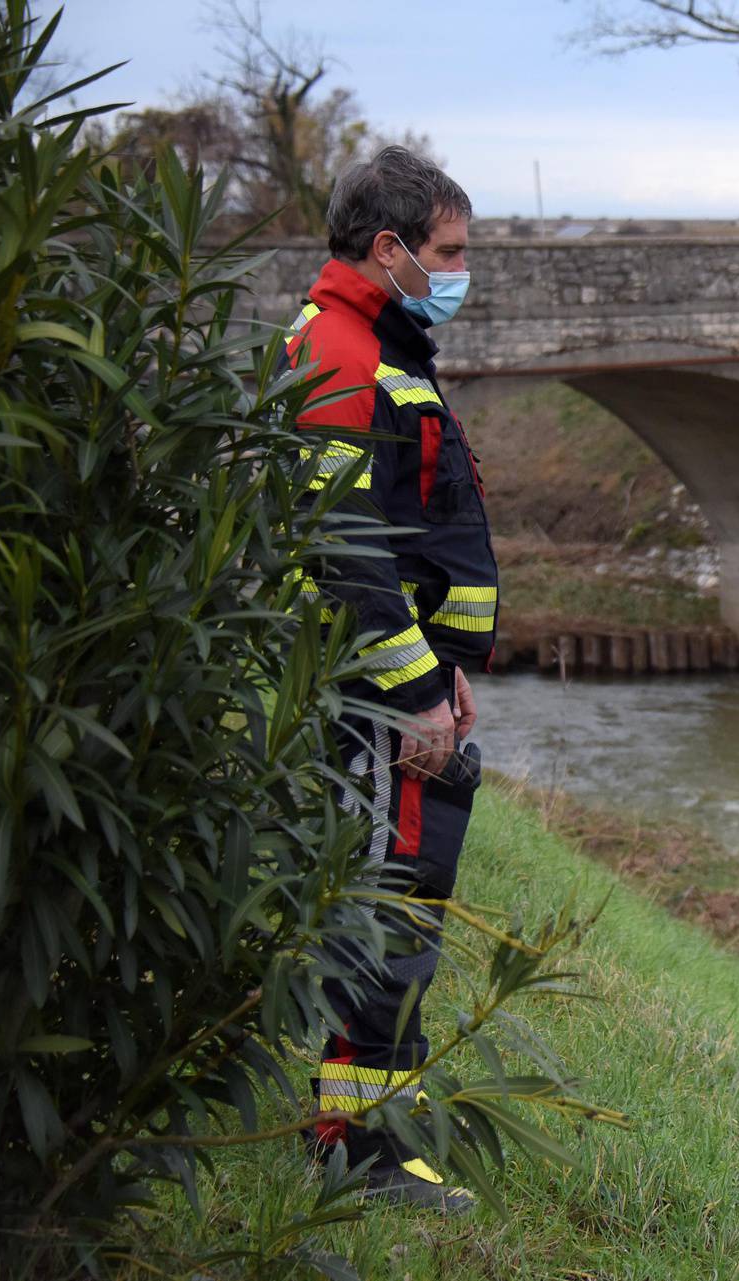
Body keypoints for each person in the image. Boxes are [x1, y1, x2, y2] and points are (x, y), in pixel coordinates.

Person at [282, 146, 498, 1213]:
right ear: (390, 248)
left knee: (404, 917)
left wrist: (452, 674)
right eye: (450, 253)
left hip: (413, 698)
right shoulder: (340, 350)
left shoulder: (382, 341)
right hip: (380, 708)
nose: (463, 272)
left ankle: (372, 1135)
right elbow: (347, 550)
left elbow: (419, 532)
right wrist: (416, 693)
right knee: (382, 915)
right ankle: (354, 1154)